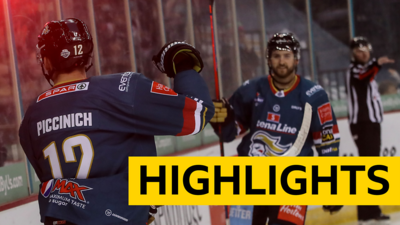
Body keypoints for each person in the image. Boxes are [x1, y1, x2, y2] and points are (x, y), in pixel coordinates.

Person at [19, 18, 214, 225]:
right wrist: (182, 65)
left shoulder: (32, 115)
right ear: (87, 54)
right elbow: (197, 113)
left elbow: (47, 178)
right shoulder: (124, 88)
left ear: (48, 60)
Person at [210, 32, 341, 225]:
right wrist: (221, 122)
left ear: (296, 59)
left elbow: (328, 142)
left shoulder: (314, 96)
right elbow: (230, 134)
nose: (282, 61)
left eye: (287, 56)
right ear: (269, 60)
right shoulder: (251, 90)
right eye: (276, 56)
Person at [346, 36, 394, 225]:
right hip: (362, 124)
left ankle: (371, 210)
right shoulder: (354, 70)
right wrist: (377, 63)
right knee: (367, 167)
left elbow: (369, 76)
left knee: (372, 167)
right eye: (359, 51)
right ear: (353, 54)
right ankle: (365, 213)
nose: (363, 53)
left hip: (372, 123)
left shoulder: (368, 71)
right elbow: (364, 75)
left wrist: (375, 65)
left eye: (366, 50)